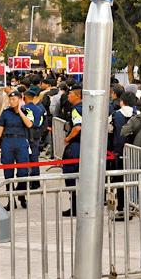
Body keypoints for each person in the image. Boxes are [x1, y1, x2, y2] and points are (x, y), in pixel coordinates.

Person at [0, 86, 35, 208]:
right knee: (8, 173)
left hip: (21, 142)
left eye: (14, 100)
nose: (12, 102)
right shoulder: (5, 113)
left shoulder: (27, 111)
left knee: (23, 172)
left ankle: (22, 196)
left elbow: (29, 124)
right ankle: (10, 201)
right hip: (7, 142)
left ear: (20, 99)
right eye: (10, 100)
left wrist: (20, 111)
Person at [61, 88, 83, 217]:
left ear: (77, 96)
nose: (68, 96)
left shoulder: (76, 109)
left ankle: (75, 207)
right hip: (86, 147)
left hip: (75, 147)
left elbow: (77, 127)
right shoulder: (87, 107)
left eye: (70, 94)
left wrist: (67, 138)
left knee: (71, 177)